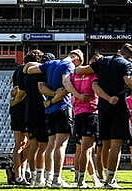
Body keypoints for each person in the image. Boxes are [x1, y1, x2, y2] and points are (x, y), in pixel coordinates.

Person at [74, 43, 132, 188]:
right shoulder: (125, 64)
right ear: (130, 56)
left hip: (102, 107)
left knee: (105, 144)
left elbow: (82, 72)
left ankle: (102, 178)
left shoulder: (101, 61)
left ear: (119, 50)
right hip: (119, 106)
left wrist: (106, 97)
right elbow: (129, 81)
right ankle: (110, 180)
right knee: (116, 145)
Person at [29, 49, 84, 188]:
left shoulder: (52, 63)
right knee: (61, 145)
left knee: (51, 145)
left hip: (50, 110)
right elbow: (66, 84)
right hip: (62, 108)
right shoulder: (69, 65)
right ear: (77, 59)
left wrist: (50, 100)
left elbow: (30, 70)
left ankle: (48, 178)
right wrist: (78, 94)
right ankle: (56, 179)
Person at [71, 53, 103, 188]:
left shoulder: (76, 74)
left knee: (81, 150)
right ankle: (81, 181)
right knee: (88, 150)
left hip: (77, 113)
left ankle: (87, 178)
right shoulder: (95, 76)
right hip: (90, 112)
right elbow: (96, 89)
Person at [23, 50, 50, 187]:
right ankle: (41, 177)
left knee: (33, 146)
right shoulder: (42, 73)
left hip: (29, 111)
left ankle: (33, 177)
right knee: (44, 147)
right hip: (41, 111)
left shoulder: (26, 73)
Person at [8, 53, 32, 185]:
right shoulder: (26, 71)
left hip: (17, 110)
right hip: (24, 109)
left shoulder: (17, 70)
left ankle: (17, 172)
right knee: (24, 143)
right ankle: (18, 173)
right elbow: (20, 91)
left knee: (22, 143)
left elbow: (14, 89)